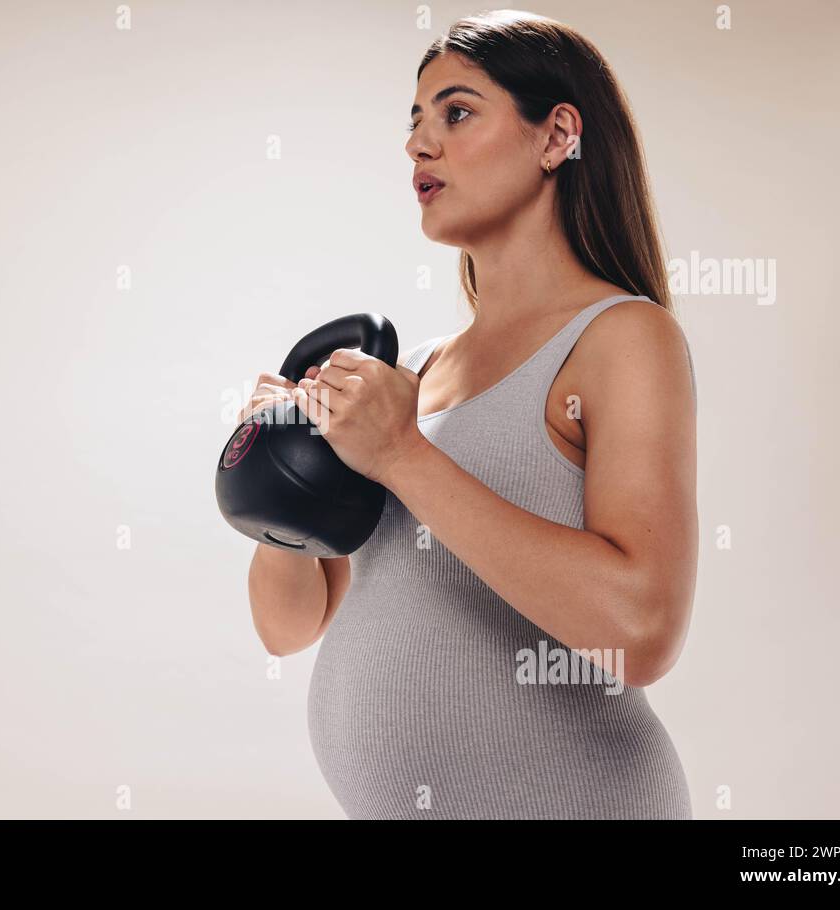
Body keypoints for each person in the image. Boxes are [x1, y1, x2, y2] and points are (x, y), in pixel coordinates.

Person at [242, 9, 698, 819]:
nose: (419, 144)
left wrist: (404, 455)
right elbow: (292, 628)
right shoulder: (416, 372)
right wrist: (283, 480)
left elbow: (641, 631)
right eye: (414, 122)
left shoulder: (621, 337)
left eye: (455, 112)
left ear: (557, 136)